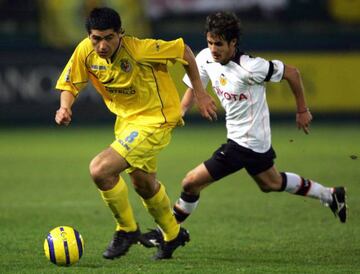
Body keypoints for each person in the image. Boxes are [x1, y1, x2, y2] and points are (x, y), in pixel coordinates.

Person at [141, 11, 347, 247]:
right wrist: (180, 113)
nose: (213, 48)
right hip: (254, 143)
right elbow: (195, 87)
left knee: (190, 182)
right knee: (271, 183)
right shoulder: (206, 58)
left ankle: (165, 232)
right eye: (209, 42)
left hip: (244, 144)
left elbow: (292, 73)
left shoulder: (252, 67)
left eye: (219, 44)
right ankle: (330, 195)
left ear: (233, 43)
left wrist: (302, 110)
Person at [54, 7, 217, 260]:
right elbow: (69, 83)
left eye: (109, 38)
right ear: (89, 36)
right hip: (126, 123)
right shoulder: (85, 50)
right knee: (143, 183)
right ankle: (173, 235)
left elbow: (184, 51)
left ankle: (127, 229)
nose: (102, 45)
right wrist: (65, 107)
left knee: (100, 169)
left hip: (155, 120)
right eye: (96, 38)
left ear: (121, 33)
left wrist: (199, 92)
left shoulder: (140, 49)